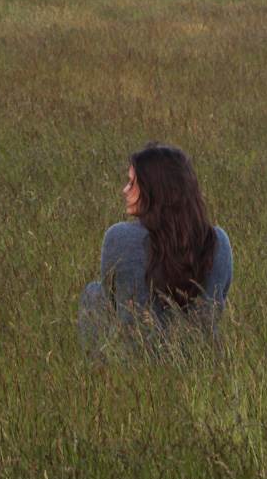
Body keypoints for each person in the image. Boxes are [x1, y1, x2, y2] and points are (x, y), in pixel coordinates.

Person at [78, 142, 233, 358]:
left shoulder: (118, 237)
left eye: (132, 184)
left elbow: (112, 300)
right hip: (200, 363)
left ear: (155, 190)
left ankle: (95, 373)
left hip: (135, 363)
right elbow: (218, 302)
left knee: (93, 294)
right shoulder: (219, 241)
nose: (125, 190)